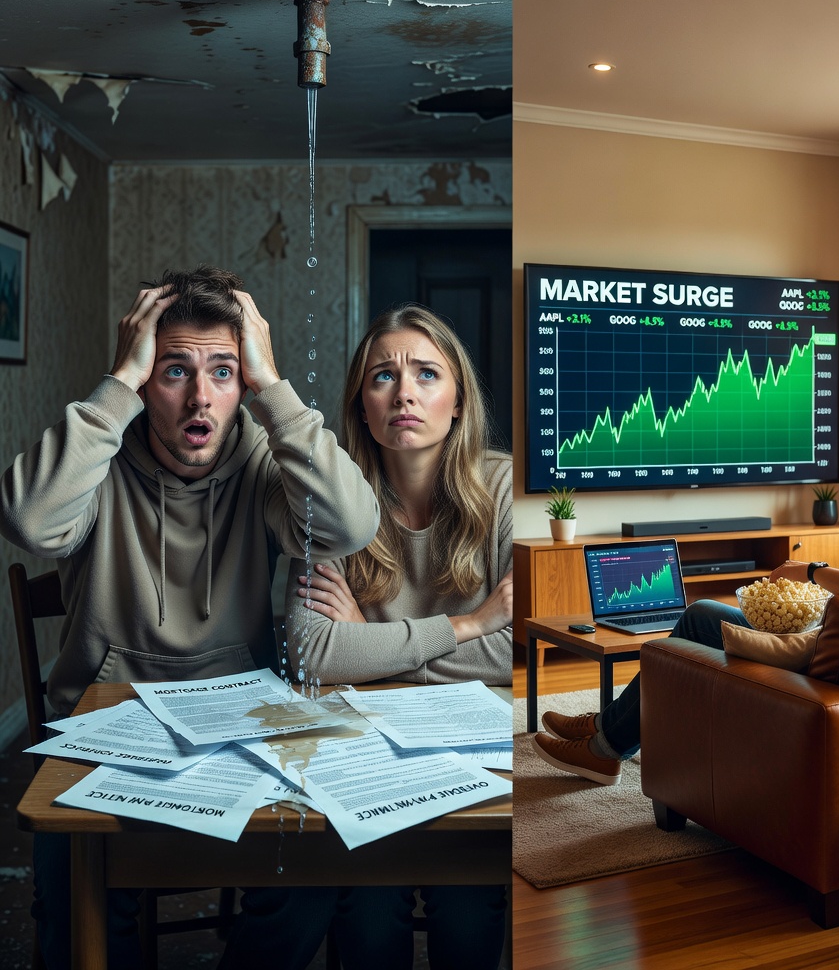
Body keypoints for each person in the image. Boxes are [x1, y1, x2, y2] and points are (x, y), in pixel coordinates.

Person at [0, 265, 380, 970]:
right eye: (174, 371)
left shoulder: (266, 462)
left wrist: (274, 390)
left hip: (239, 735)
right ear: (144, 379)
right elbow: (27, 521)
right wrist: (118, 384)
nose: (201, 396)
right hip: (103, 734)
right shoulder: (98, 460)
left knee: (313, 881)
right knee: (70, 902)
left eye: (225, 372)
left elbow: (351, 526)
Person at [532, 420, 839, 786]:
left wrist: (812, 571)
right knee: (701, 614)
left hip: (825, 671)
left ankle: (604, 747)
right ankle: (605, 730)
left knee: (698, 617)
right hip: (830, 648)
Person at [284, 303, 511, 969]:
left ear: (459, 401)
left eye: (427, 374)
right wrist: (469, 626)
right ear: (360, 404)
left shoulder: (504, 490)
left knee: (468, 896)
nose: (405, 392)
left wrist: (372, 647)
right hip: (362, 754)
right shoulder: (331, 501)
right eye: (383, 376)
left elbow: (517, 652)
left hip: (474, 756)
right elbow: (311, 654)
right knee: (365, 899)